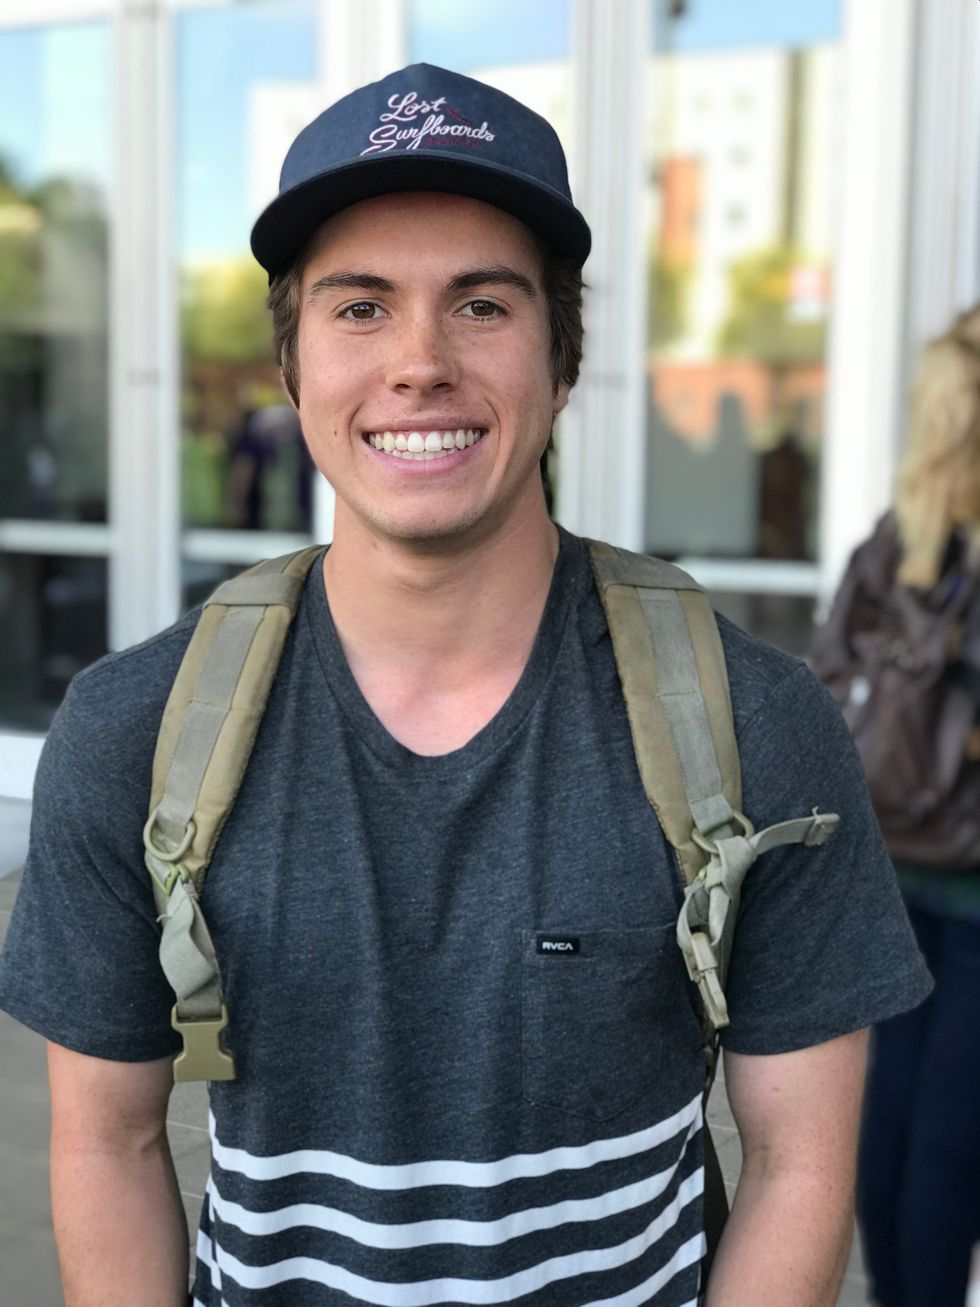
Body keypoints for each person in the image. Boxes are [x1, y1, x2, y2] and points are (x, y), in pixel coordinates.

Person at [0, 63, 931, 1307]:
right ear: (291, 366)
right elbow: (105, 1141)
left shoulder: (751, 721)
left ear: (561, 364)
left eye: (481, 304)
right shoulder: (136, 729)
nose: (419, 363)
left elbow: (800, 1160)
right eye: (359, 307)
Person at [829, 307, 980, 1307]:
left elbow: (835, 676)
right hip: (927, 875)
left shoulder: (906, 543)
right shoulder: (906, 544)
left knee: (916, 1139)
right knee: (913, 1142)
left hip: (929, 874)